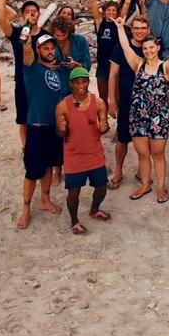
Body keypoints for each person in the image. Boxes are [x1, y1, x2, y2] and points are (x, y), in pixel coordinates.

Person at [115, 18, 169, 203]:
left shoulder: (166, 67)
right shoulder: (138, 65)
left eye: (151, 47)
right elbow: (125, 47)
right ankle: (146, 184)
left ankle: (161, 187)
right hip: (138, 117)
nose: (148, 50)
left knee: (158, 154)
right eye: (145, 48)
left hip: (159, 118)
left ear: (157, 48)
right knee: (142, 154)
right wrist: (119, 27)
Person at [18, 32, 71, 229]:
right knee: (32, 171)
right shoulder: (32, 68)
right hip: (37, 126)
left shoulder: (58, 71)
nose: (50, 51)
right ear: (38, 50)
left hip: (54, 126)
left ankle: (45, 199)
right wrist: (29, 27)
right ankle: (25, 208)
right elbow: (25, 49)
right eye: (45, 48)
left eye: (52, 48)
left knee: (49, 166)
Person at [55, 67, 111, 235]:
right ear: (71, 84)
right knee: (74, 192)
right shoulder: (63, 105)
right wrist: (62, 129)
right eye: (77, 82)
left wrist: (104, 128)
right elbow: (60, 133)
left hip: (94, 152)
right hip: (74, 155)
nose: (81, 85)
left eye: (84, 81)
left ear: (88, 82)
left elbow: (103, 127)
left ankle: (94, 210)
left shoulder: (99, 102)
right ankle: (74, 221)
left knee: (102, 187)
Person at [107, 14, 150, 190]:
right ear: (131, 29)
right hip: (126, 100)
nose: (139, 31)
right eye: (136, 28)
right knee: (122, 139)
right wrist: (112, 101)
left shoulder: (151, 48)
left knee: (145, 139)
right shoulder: (119, 49)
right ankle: (118, 171)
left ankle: (142, 171)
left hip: (147, 102)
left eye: (143, 28)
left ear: (148, 30)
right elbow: (113, 75)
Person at [0, 0, 37, 149]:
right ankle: (26, 148)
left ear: (39, 14)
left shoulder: (45, 35)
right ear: (22, 16)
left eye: (33, 12)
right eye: (27, 12)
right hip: (22, 81)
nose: (31, 15)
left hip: (39, 81)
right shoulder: (18, 33)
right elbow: (2, 22)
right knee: (24, 119)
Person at [86, 0, 126, 105]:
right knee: (103, 97)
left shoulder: (120, 24)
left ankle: (121, 120)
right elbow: (92, 1)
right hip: (102, 65)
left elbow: (125, 1)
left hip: (116, 65)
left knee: (118, 96)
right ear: (104, 11)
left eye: (113, 10)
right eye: (108, 10)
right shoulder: (100, 22)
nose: (110, 13)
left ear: (117, 12)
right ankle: (104, 122)